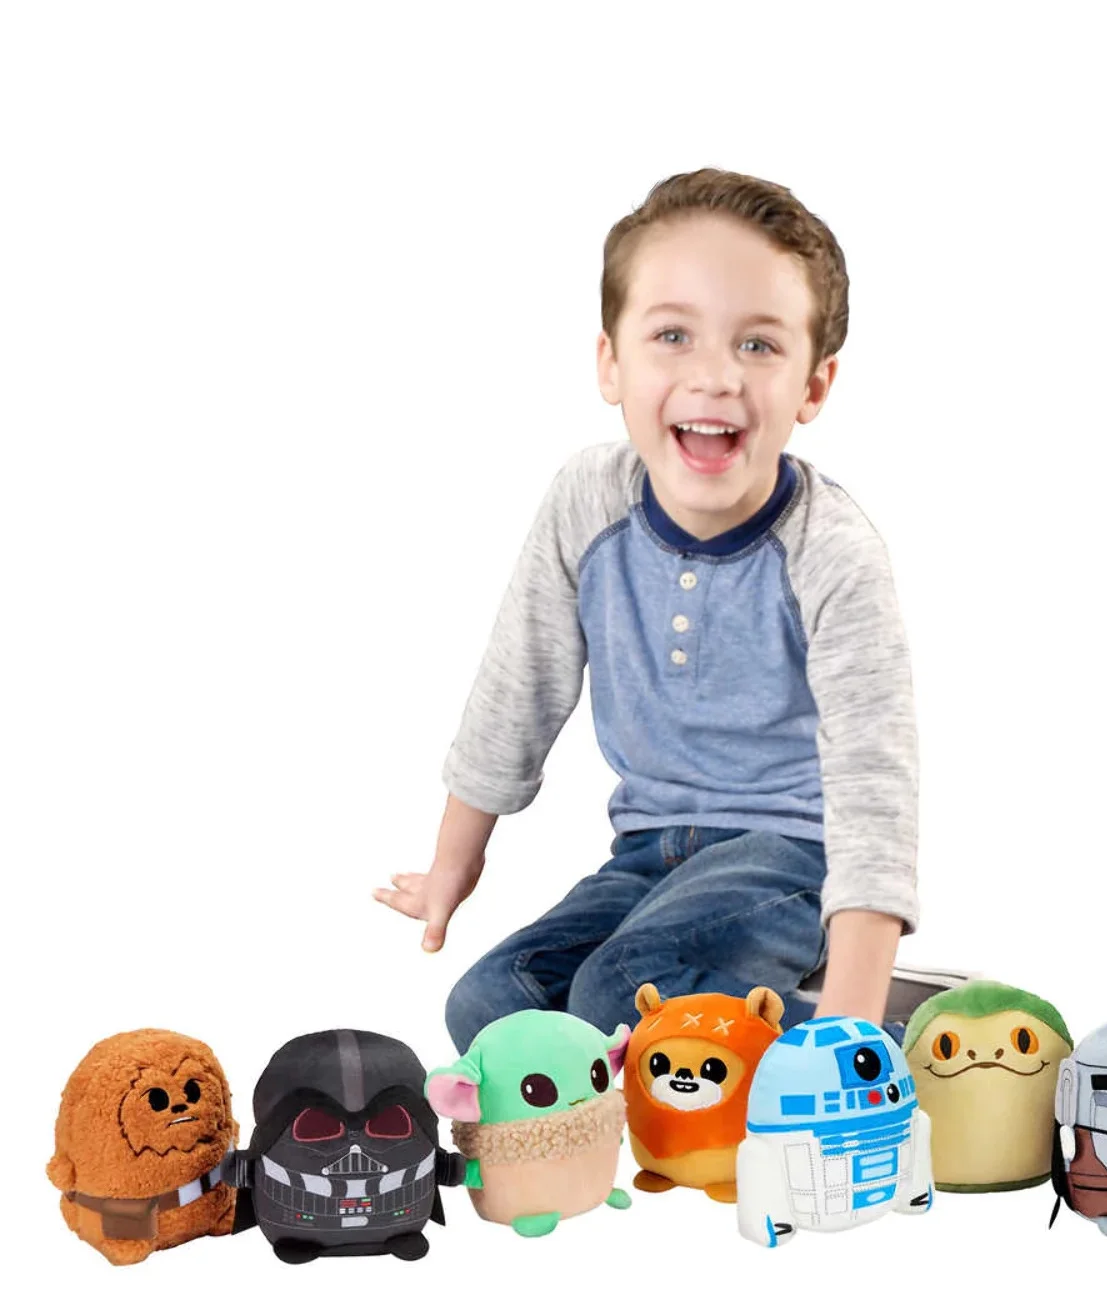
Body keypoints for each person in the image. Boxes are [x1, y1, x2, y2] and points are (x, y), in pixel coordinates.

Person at [375, 167, 919, 1053]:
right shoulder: (587, 502)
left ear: (813, 387)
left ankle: (866, 1030)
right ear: (611, 363)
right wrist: (451, 866)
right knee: (489, 1007)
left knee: (617, 993)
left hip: (792, 856)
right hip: (648, 853)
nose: (715, 377)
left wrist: (849, 1038)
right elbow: (519, 685)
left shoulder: (832, 551)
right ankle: (685, 1055)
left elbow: (874, 792)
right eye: (673, 335)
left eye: (759, 345)